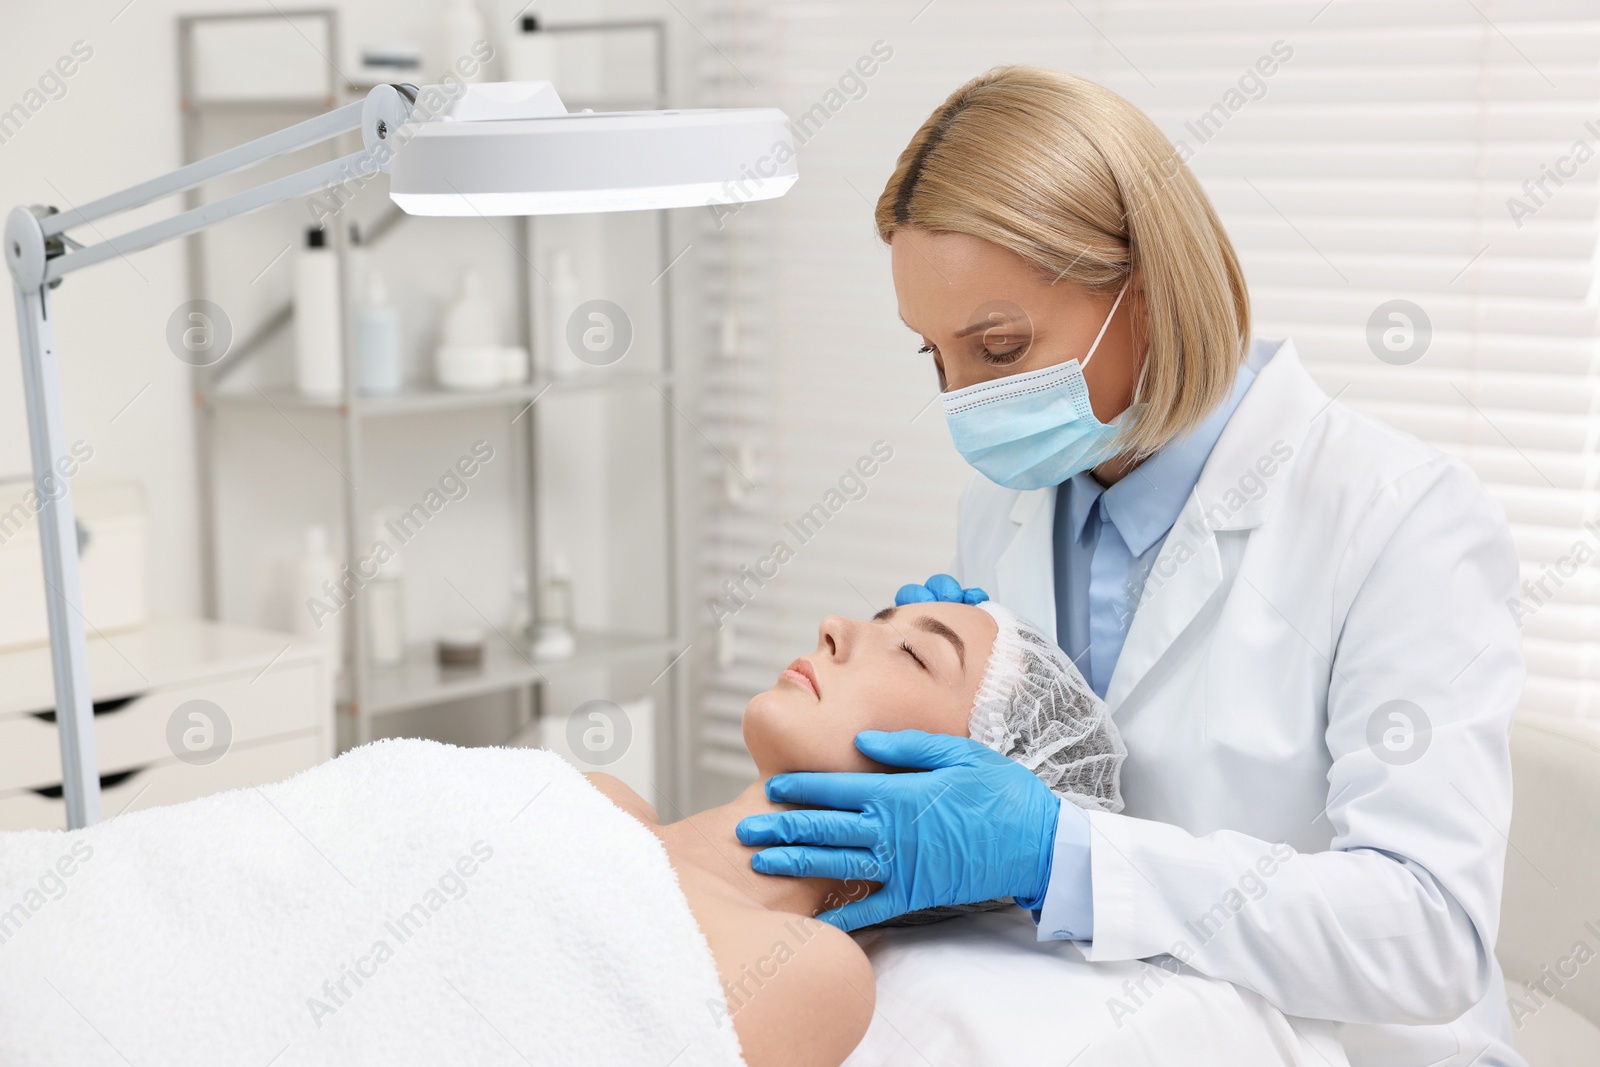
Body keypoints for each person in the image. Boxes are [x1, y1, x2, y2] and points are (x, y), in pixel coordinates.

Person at [735, 66, 1527, 1067]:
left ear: (1145, 292)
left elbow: (1425, 933)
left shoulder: (1398, 517)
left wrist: (1055, 856)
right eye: (934, 356)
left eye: (998, 344)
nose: (963, 399)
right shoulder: (1007, 504)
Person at [588, 597, 1124, 1067]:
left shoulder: (804, 972)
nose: (833, 625)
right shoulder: (599, 796)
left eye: (914, 654)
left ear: (956, 791)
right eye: (878, 621)